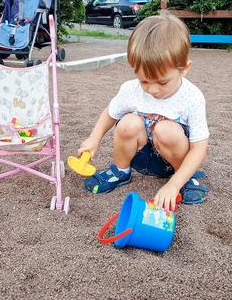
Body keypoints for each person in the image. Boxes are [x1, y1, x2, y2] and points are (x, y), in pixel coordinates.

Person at [77, 12, 210, 211]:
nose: (153, 90)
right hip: (141, 157)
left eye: (163, 82)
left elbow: (200, 147)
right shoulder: (131, 90)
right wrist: (93, 138)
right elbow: (110, 113)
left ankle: (185, 178)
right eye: (144, 81)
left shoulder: (192, 97)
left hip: (172, 160)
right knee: (127, 122)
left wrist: (173, 185)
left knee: (167, 130)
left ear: (184, 68)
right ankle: (120, 171)